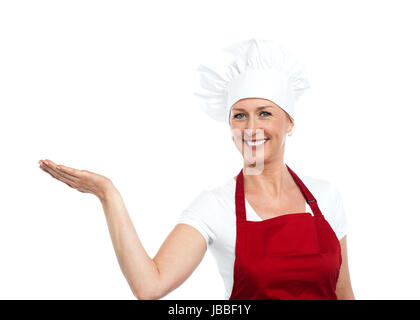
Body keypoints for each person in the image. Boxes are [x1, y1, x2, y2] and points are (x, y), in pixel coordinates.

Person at [38, 38, 355, 300]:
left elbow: (344, 295)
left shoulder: (327, 197)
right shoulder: (215, 206)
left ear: (289, 123)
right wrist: (108, 195)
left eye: (265, 113)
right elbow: (150, 285)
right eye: (239, 116)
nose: (251, 127)